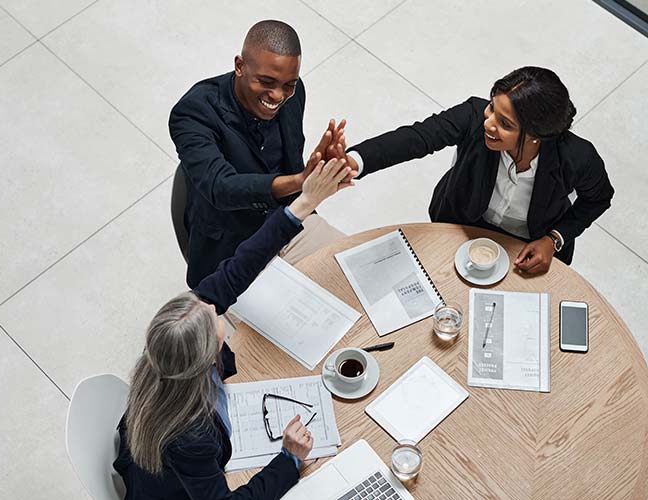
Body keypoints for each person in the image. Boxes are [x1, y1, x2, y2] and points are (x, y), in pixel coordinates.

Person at [114, 159, 353, 499]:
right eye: (213, 319)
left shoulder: (171, 348)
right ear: (206, 356)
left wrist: (305, 202)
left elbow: (242, 264)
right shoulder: (192, 437)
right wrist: (288, 459)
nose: (213, 305)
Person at [332, 66, 614, 273]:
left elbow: (598, 199)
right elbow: (417, 138)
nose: (488, 123)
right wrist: (353, 161)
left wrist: (554, 239)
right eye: (492, 108)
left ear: (536, 136)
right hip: (463, 223)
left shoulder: (577, 157)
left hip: (529, 243)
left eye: (505, 124)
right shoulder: (472, 116)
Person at [170, 19, 351, 288]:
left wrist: (325, 169)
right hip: (231, 249)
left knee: (356, 275)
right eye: (266, 82)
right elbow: (221, 186)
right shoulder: (194, 112)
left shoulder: (294, 93)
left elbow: (290, 161)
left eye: (288, 84)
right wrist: (301, 181)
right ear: (239, 66)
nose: (278, 95)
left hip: (290, 223)